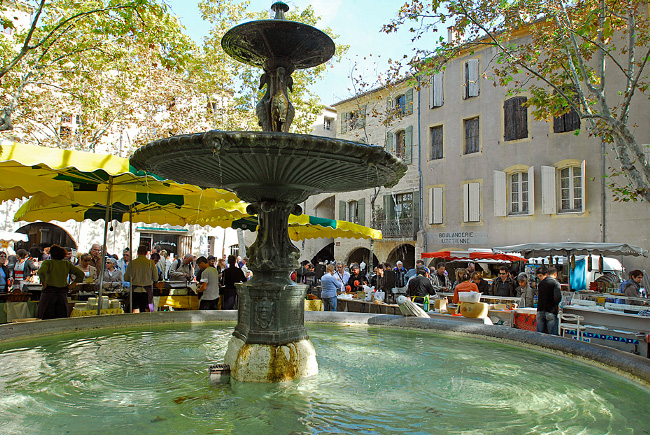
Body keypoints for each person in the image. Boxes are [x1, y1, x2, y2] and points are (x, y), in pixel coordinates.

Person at [37, 244, 84, 319]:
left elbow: (41, 272)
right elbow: (80, 274)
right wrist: (71, 286)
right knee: (61, 316)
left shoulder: (48, 263)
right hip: (62, 292)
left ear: (51, 254)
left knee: (46, 315)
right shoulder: (66, 264)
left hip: (49, 292)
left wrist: (44, 283)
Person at [124, 245, 159, 313]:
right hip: (147, 293)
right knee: (148, 313)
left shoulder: (132, 263)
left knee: (133, 313)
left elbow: (126, 278)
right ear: (146, 253)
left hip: (134, 292)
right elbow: (155, 278)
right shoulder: (150, 263)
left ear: (137, 252)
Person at [536, 266, 562, 335]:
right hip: (551, 311)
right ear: (555, 274)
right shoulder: (556, 283)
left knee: (539, 335)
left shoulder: (541, 283)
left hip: (540, 311)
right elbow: (557, 298)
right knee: (552, 337)